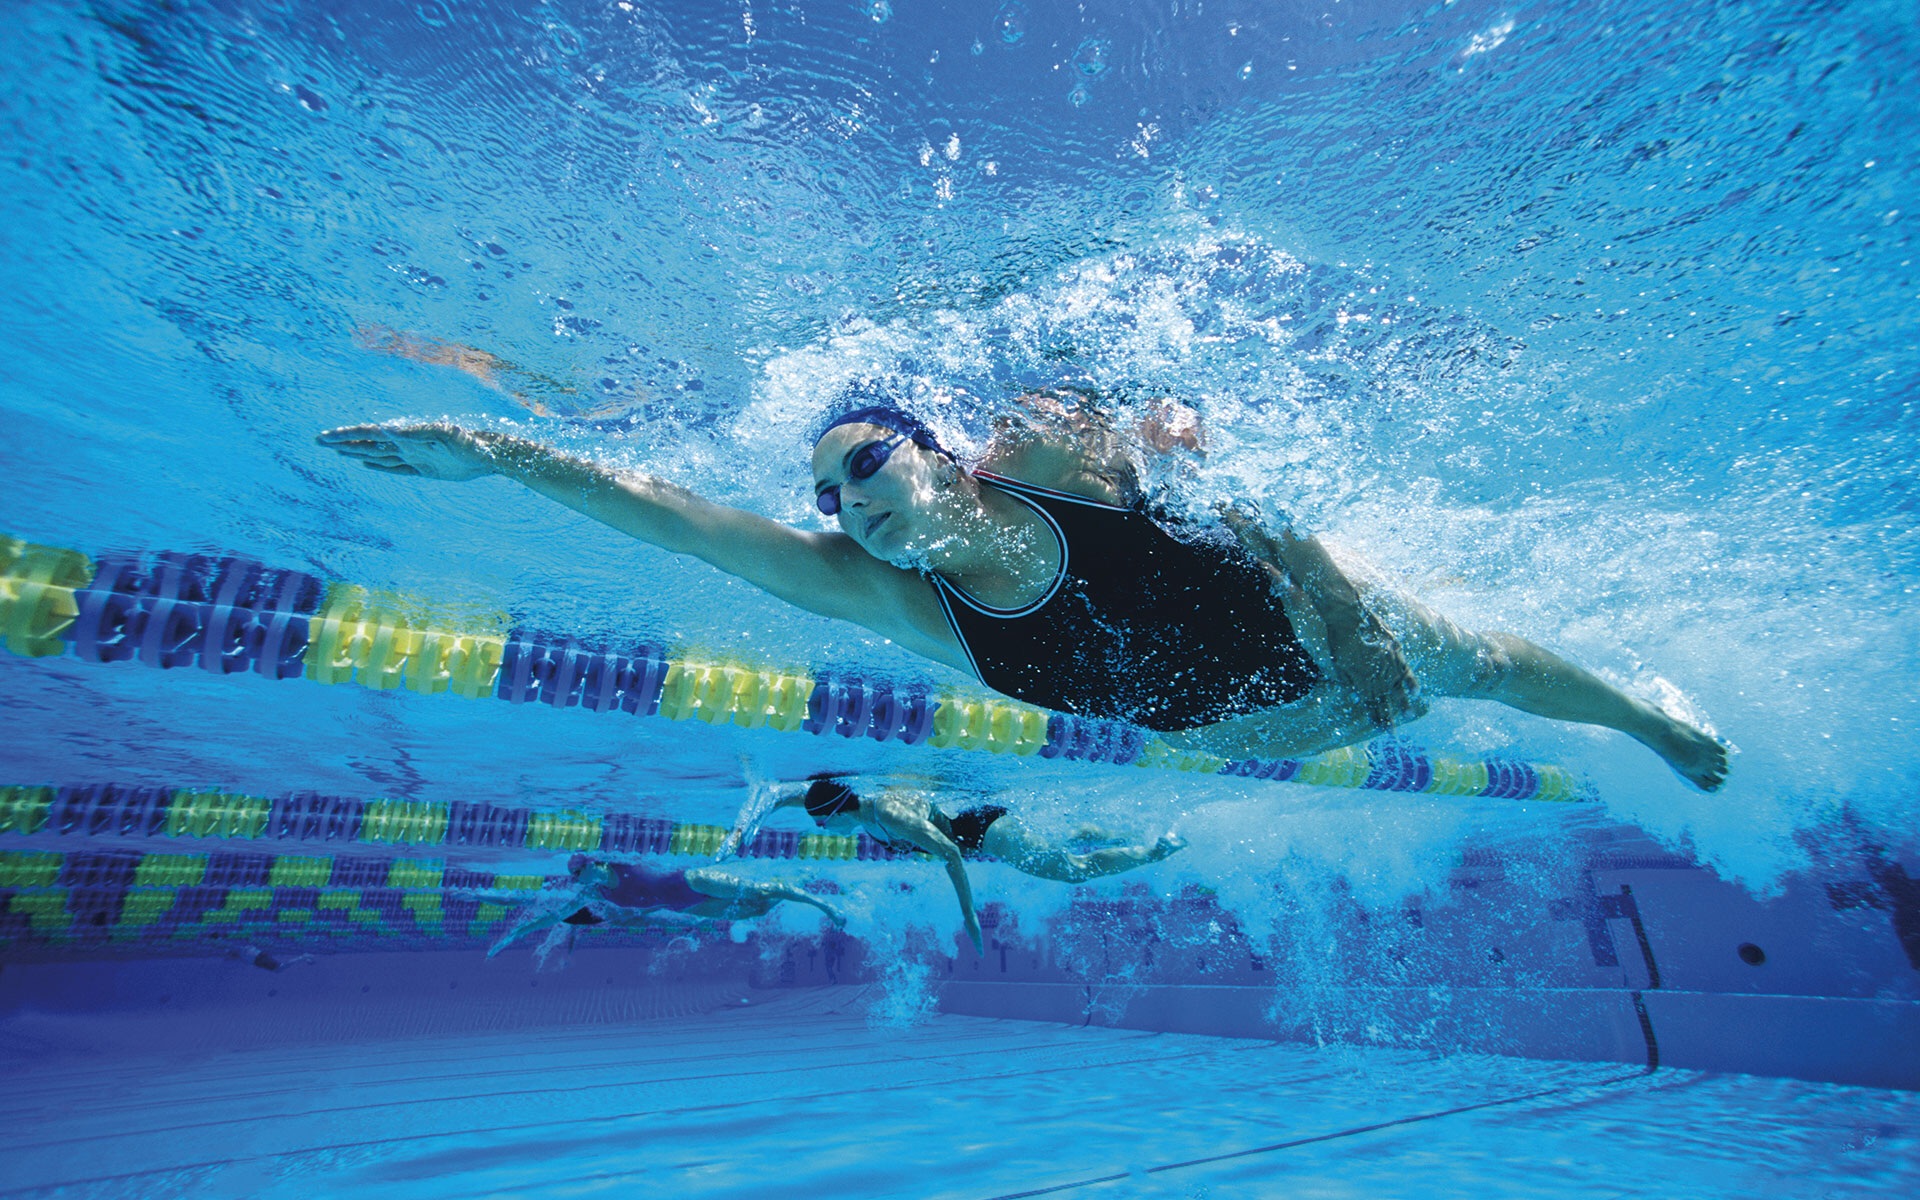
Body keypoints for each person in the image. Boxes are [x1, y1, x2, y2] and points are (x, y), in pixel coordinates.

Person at [318, 365, 1728, 791]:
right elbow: (677, 521)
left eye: (863, 468)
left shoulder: (1054, 453)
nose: (841, 509)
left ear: (944, 460)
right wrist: (493, 455)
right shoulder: (887, 595)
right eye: (821, 498)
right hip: (1269, 732)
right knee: (1428, 689)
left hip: (1320, 633)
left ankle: (1648, 720)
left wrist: (1350, 633)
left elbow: (1251, 487)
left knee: (1471, 659)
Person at [768, 776, 1185, 953]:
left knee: (1071, 872)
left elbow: (948, 852)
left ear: (837, 811)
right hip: (971, 834)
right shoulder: (857, 814)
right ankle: (1095, 830)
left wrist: (968, 914)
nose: (822, 829)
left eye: (821, 821)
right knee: (1057, 845)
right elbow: (799, 796)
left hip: (981, 830)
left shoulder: (888, 814)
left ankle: (1155, 850)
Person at [485, 855, 844, 959]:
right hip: (683, 907)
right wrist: (513, 936)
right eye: (575, 876)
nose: (579, 879)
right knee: (757, 909)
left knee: (758, 888)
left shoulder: (621, 860)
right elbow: (554, 916)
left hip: (689, 881)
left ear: (594, 864)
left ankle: (824, 904)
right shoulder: (597, 897)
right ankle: (799, 880)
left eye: (580, 871)